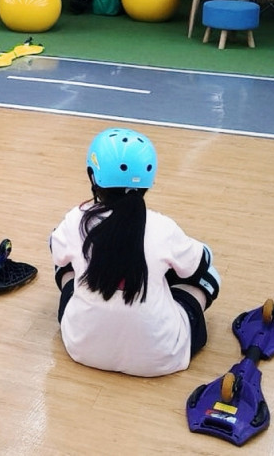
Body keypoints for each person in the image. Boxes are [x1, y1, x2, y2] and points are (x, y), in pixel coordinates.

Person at [49, 128, 220, 377]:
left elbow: (56, 251)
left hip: (82, 347)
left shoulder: (76, 219)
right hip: (160, 358)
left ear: (93, 176)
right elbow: (201, 263)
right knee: (207, 277)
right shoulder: (162, 226)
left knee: (64, 264)